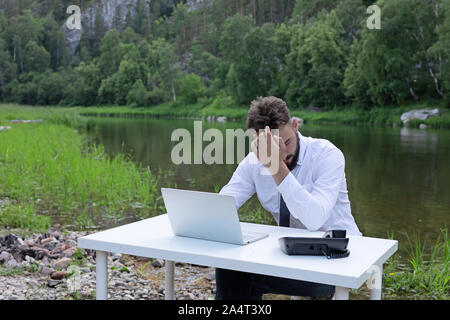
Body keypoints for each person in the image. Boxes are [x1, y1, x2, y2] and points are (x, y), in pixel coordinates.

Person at [216, 96, 362, 300]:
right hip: (288, 254)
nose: (282, 152)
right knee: (230, 268)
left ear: (295, 126)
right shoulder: (254, 162)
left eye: (286, 142)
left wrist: (276, 166)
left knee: (243, 278)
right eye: (272, 146)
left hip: (336, 259)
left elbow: (314, 219)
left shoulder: (327, 155)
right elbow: (222, 206)